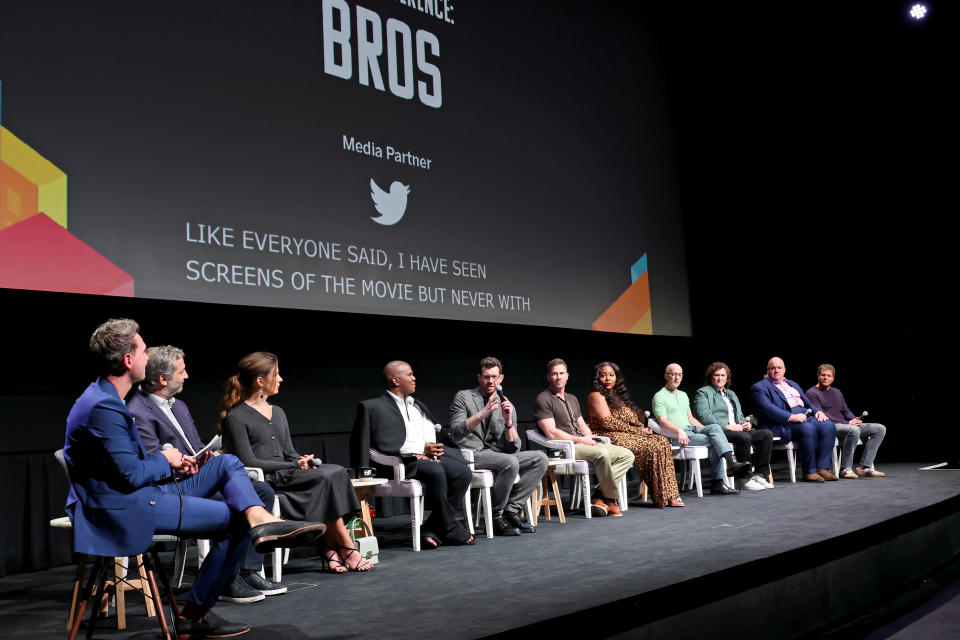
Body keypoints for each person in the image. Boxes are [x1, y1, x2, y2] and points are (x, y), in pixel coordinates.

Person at [64, 319, 325, 638]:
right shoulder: (104, 406)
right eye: (144, 351)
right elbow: (131, 475)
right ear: (128, 360)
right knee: (234, 522)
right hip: (123, 507)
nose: (148, 357)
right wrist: (166, 459)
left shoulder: (105, 397)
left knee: (226, 462)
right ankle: (195, 616)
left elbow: (123, 466)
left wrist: (176, 464)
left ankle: (259, 518)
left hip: (137, 493)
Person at [128, 345, 287, 603]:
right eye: (182, 371)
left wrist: (205, 456)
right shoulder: (138, 411)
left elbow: (194, 446)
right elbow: (152, 463)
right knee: (232, 480)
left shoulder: (179, 406)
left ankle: (249, 570)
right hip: (170, 489)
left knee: (262, 491)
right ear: (162, 379)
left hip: (195, 478)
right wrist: (182, 462)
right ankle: (227, 579)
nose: (187, 376)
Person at [220, 352, 373, 573]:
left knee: (335, 472)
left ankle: (331, 548)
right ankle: (347, 548)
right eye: (276, 374)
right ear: (260, 381)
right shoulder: (237, 417)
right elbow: (248, 461)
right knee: (328, 477)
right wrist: (292, 465)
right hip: (269, 480)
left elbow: (289, 452)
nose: (281, 379)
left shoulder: (279, 412)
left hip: (290, 474)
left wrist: (301, 460)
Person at [352, 361, 475, 549]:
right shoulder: (373, 407)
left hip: (425, 458)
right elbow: (369, 442)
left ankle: (432, 529)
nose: (414, 378)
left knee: (462, 472)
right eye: (409, 374)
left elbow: (432, 430)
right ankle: (449, 527)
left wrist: (431, 448)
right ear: (395, 380)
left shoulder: (417, 404)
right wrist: (416, 452)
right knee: (435, 471)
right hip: (400, 462)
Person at [448, 357, 548, 535]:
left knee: (540, 458)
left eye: (494, 377)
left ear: (501, 378)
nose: (490, 381)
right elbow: (456, 431)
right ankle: (495, 517)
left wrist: (509, 422)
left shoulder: (507, 405)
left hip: (497, 455)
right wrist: (482, 413)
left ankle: (511, 509)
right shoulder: (464, 397)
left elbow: (513, 448)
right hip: (471, 454)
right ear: (479, 378)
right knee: (509, 462)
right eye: (486, 377)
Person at [532, 358, 634, 517]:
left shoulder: (572, 398)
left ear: (567, 376)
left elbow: (581, 424)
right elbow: (551, 433)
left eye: (561, 373)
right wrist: (581, 440)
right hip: (564, 448)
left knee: (627, 455)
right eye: (554, 374)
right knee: (602, 455)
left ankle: (599, 495)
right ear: (548, 377)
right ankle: (611, 500)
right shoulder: (543, 399)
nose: (558, 377)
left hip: (582, 443)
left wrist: (589, 435)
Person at [585, 362, 684, 508]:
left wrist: (642, 428)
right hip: (608, 436)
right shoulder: (596, 396)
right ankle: (661, 497)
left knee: (662, 441)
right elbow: (609, 423)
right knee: (652, 445)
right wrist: (640, 432)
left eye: (611, 375)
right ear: (596, 378)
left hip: (626, 434)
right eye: (603, 375)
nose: (607, 379)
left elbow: (631, 420)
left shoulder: (618, 397)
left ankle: (670, 495)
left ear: (617, 378)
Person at [653, 363, 752, 495]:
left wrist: (710, 429)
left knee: (715, 428)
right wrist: (679, 431)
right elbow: (663, 421)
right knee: (714, 442)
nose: (677, 378)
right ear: (666, 376)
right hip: (675, 436)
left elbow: (690, 419)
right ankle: (719, 481)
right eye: (673, 374)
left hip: (691, 430)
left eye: (680, 375)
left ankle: (729, 466)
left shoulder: (683, 395)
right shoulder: (659, 396)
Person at [749, 357, 837, 483]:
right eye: (772, 368)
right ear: (767, 370)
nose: (776, 370)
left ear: (784, 370)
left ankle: (822, 468)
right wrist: (791, 417)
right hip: (781, 422)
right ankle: (809, 471)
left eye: (779, 367)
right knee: (807, 428)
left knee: (828, 425)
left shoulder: (791, 383)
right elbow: (768, 408)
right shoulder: (759, 387)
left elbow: (807, 402)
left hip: (803, 415)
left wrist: (817, 411)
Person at [693, 362, 774, 491]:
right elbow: (704, 417)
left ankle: (758, 474)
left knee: (766, 434)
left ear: (727, 378)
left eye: (723, 375)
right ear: (711, 377)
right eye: (716, 375)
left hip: (737, 429)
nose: (720, 378)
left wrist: (745, 423)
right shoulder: (703, 393)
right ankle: (743, 479)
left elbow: (740, 416)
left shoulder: (731, 394)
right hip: (720, 431)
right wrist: (728, 426)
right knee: (743, 437)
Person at [806, 364, 887, 478]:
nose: (826, 378)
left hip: (845, 424)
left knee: (879, 429)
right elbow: (822, 416)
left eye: (829, 376)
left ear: (833, 378)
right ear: (818, 376)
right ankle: (845, 469)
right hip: (830, 426)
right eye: (823, 375)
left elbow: (845, 410)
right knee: (853, 430)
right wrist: (848, 423)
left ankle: (865, 467)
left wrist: (854, 419)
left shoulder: (837, 392)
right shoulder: (812, 393)